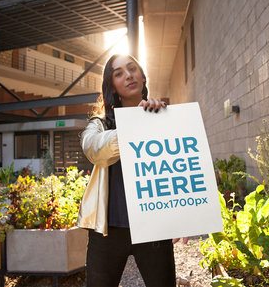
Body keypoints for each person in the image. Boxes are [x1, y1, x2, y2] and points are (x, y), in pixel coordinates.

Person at [78, 54, 188, 287]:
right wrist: (135, 125)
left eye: (132, 69)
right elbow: (92, 149)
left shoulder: (163, 117)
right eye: (119, 73)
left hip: (154, 227)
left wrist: (182, 217)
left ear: (143, 76)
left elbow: (177, 170)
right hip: (108, 231)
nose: (128, 75)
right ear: (112, 86)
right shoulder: (100, 124)